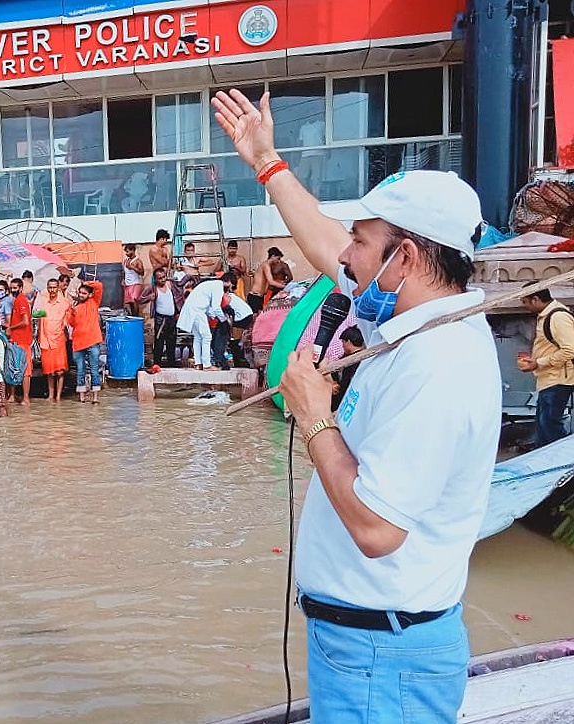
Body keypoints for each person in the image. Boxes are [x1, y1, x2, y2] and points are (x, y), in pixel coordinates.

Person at [213, 88, 501, 723]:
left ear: (407, 257)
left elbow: (376, 529)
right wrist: (267, 162)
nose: (345, 255)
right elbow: (320, 235)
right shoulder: (411, 317)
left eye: (363, 242)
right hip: (363, 644)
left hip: (384, 655)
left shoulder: (439, 365)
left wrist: (315, 415)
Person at [518, 284, 574, 447]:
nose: (525, 306)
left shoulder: (557, 317)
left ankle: (561, 462)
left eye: (525, 302)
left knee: (550, 427)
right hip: (548, 379)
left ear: (535, 299)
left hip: (558, 380)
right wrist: (535, 359)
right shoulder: (546, 315)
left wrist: (538, 362)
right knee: (544, 427)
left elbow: (570, 350)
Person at [177, 278, 229, 371]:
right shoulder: (218, 286)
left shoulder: (210, 285)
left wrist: (214, 317)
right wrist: (223, 320)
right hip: (198, 311)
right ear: (229, 282)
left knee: (198, 337)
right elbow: (216, 307)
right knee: (207, 337)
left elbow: (209, 308)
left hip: (193, 310)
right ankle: (207, 365)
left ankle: (198, 363)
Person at [140, 267, 185, 368]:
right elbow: (140, 299)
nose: (163, 280)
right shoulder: (153, 288)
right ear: (155, 279)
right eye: (160, 278)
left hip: (172, 318)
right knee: (159, 343)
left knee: (171, 342)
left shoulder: (170, 284)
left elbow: (182, 284)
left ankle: (171, 364)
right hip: (161, 320)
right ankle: (157, 365)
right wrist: (149, 298)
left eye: (164, 277)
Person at [68, 280, 104, 404]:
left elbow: (99, 286)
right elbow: (71, 323)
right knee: (80, 370)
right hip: (78, 343)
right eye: (80, 293)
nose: (81, 295)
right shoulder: (75, 307)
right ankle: (82, 397)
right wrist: (72, 312)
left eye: (84, 293)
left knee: (94, 370)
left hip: (92, 341)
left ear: (89, 294)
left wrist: (84, 282)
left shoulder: (94, 302)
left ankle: (95, 398)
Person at [36, 276, 70, 401]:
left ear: (58, 288)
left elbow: (68, 321)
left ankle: (58, 396)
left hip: (59, 340)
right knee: (49, 371)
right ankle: (51, 396)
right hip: (45, 340)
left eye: (54, 287)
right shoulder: (43, 302)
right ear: (47, 288)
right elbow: (36, 317)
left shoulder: (65, 303)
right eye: (50, 287)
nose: (52, 290)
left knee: (60, 371)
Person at [7, 277, 33, 404]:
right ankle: (12, 396)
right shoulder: (17, 300)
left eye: (15, 288)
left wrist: (10, 327)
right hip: (15, 339)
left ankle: (26, 398)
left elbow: (25, 322)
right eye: (11, 288)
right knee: (14, 367)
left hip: (23, 340)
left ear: (21, 288)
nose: (13, 290)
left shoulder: (21, 300)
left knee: (25, 370)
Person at [331, 325, 365, 411]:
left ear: (348, 342)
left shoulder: (351, 361)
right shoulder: (365, 357)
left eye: (343, 342)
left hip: (343, 402)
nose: (342, 345)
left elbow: (346, 383)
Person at [249, 246, 293, 311]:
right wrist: (284, 286)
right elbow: (271, 281)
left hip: (260, 296)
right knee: (256, 318)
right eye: (278, 258)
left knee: (261, 316)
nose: (278, 261)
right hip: (255, 296)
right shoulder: (266, 265)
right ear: (273, 256)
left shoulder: (267, 266)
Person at [121, 244, 145, 317]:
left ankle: (136, 316)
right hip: (128, 284)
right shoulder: (126, 261)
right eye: (126, 252)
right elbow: (124, 272)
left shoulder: (138, 261)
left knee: (134, 300)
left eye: (128, 251)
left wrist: (133, 267)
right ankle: (132, 316)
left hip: (136, 283)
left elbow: (142, 272)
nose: (126, 253)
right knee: (129, 302)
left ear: (133, 251)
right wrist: (123, 279)